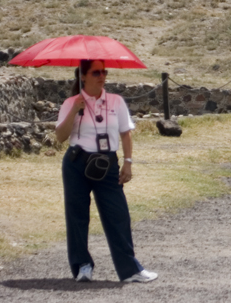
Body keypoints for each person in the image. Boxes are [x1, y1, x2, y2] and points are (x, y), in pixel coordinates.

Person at [54, 59, 158, 283]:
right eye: (96, 72)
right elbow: (61, 136)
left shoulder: (116, 101)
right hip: (77, 163)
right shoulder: (71, 102)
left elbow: (125, 132)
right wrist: (75, 109)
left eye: (104, 71)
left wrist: (128, 162)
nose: (102, 76)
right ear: (83, 76)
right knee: (77, 215)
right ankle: (82, 266)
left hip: (108, 164)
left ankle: (130, 270)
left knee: (118, 215)